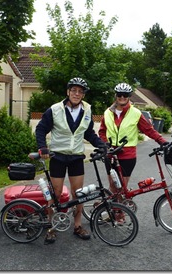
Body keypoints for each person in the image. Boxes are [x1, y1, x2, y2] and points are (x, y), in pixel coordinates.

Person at [35, 77, 105, 245]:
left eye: (80, 91)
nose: (77, 93)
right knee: (56, 194)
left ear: (83, 95)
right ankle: (51, 227)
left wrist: (102, 145)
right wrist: (42, 147)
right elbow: (41, 128)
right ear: (68, 92)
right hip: (57, 156)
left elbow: (88, 133)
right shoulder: (55, 109)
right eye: (74, 90)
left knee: (78, 194)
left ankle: (77, 226)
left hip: (76, 157)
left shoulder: (87, 109)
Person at [98, 82, 168, 205]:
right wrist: (105, 144)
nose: (122, 97)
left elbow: (148, 130)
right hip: (111, 154)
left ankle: (120, 214)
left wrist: (162, 141)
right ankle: (112, 211)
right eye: (119, 94)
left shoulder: (135, 113)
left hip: (127, 154)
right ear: (116, 95)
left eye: (125, 95)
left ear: (129, 96)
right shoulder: (107, 112)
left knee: (122, 187)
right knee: (113, 186)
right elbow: (102, 131)